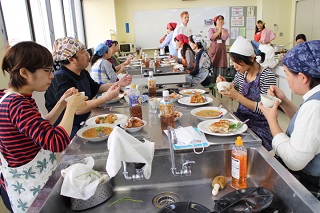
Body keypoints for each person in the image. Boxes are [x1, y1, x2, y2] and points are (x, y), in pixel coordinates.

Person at [0, 41, 87, 212]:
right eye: (47, 71)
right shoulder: (17, 105)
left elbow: (39, 127)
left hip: (28, 181)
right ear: (24, 72)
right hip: (30, 188)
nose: (52, 76)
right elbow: (57, 142)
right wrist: (71, 108)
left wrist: (62, 104)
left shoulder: (12, 97)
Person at [258, 40, 320, 200]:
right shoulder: (314, 100)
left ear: (303, 77)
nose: (286, 79)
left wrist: (272, 120)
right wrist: (284, 101)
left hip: (309, 185)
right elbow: (305, 127)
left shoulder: (315, 106)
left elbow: (294, 161)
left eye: (286, 74)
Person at [45, 37, 132, 138]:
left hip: (87, 120)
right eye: (82, 51)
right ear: (71, 59)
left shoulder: (82, 72)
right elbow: (78, 108)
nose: (87, 53)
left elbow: (97, 88)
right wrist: (106, 98)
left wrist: (118, 84)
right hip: (69, 131)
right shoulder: (60, 78)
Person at [216, 36, 277, 151]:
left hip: (261, 125)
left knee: (239, 147)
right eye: (233, 62)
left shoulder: (267, 76)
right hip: (242, 119)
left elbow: (265, 110)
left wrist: (237, 96)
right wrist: (224, 84)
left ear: (251, 58)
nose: (235, 66)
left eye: (238, 62)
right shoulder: (242, 72)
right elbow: (234, 87)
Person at [208, 15, 230, 79]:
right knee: (213, 71)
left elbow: (224, 37)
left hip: (222, 53)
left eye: (222, 19)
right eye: (219, 19)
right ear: (215, 21)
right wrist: (219, 30)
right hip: (214, 53)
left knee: (221, 73)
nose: (221, 21)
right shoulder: (211, 29)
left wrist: (222, 30)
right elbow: (212, 37)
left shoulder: (225, 30)